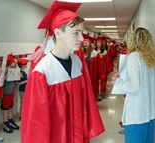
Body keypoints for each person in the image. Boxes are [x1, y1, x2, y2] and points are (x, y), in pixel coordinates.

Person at [21, 1, 104, 143]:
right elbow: (36, 125)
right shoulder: (42, 71)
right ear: (58, 33)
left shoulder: (77, 62)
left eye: (82, 32)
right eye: (76, 33)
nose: (82, 38)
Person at [113, 27, 155, 143]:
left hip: (137, 113)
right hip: (151, 111)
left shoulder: (134, 57)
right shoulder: (151, 57)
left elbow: (134, 87)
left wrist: (119, 80)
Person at [1, 54, 20, 133]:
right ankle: (6, 124)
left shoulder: (13, 72)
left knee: (10, 107)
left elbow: (16, 80)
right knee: (6, 109)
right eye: (12, 65)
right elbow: (1, 81)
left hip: (11, 92)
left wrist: (19, 75)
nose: (14, 66)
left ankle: (10, 120)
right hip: (5, 93)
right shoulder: (4, 74)